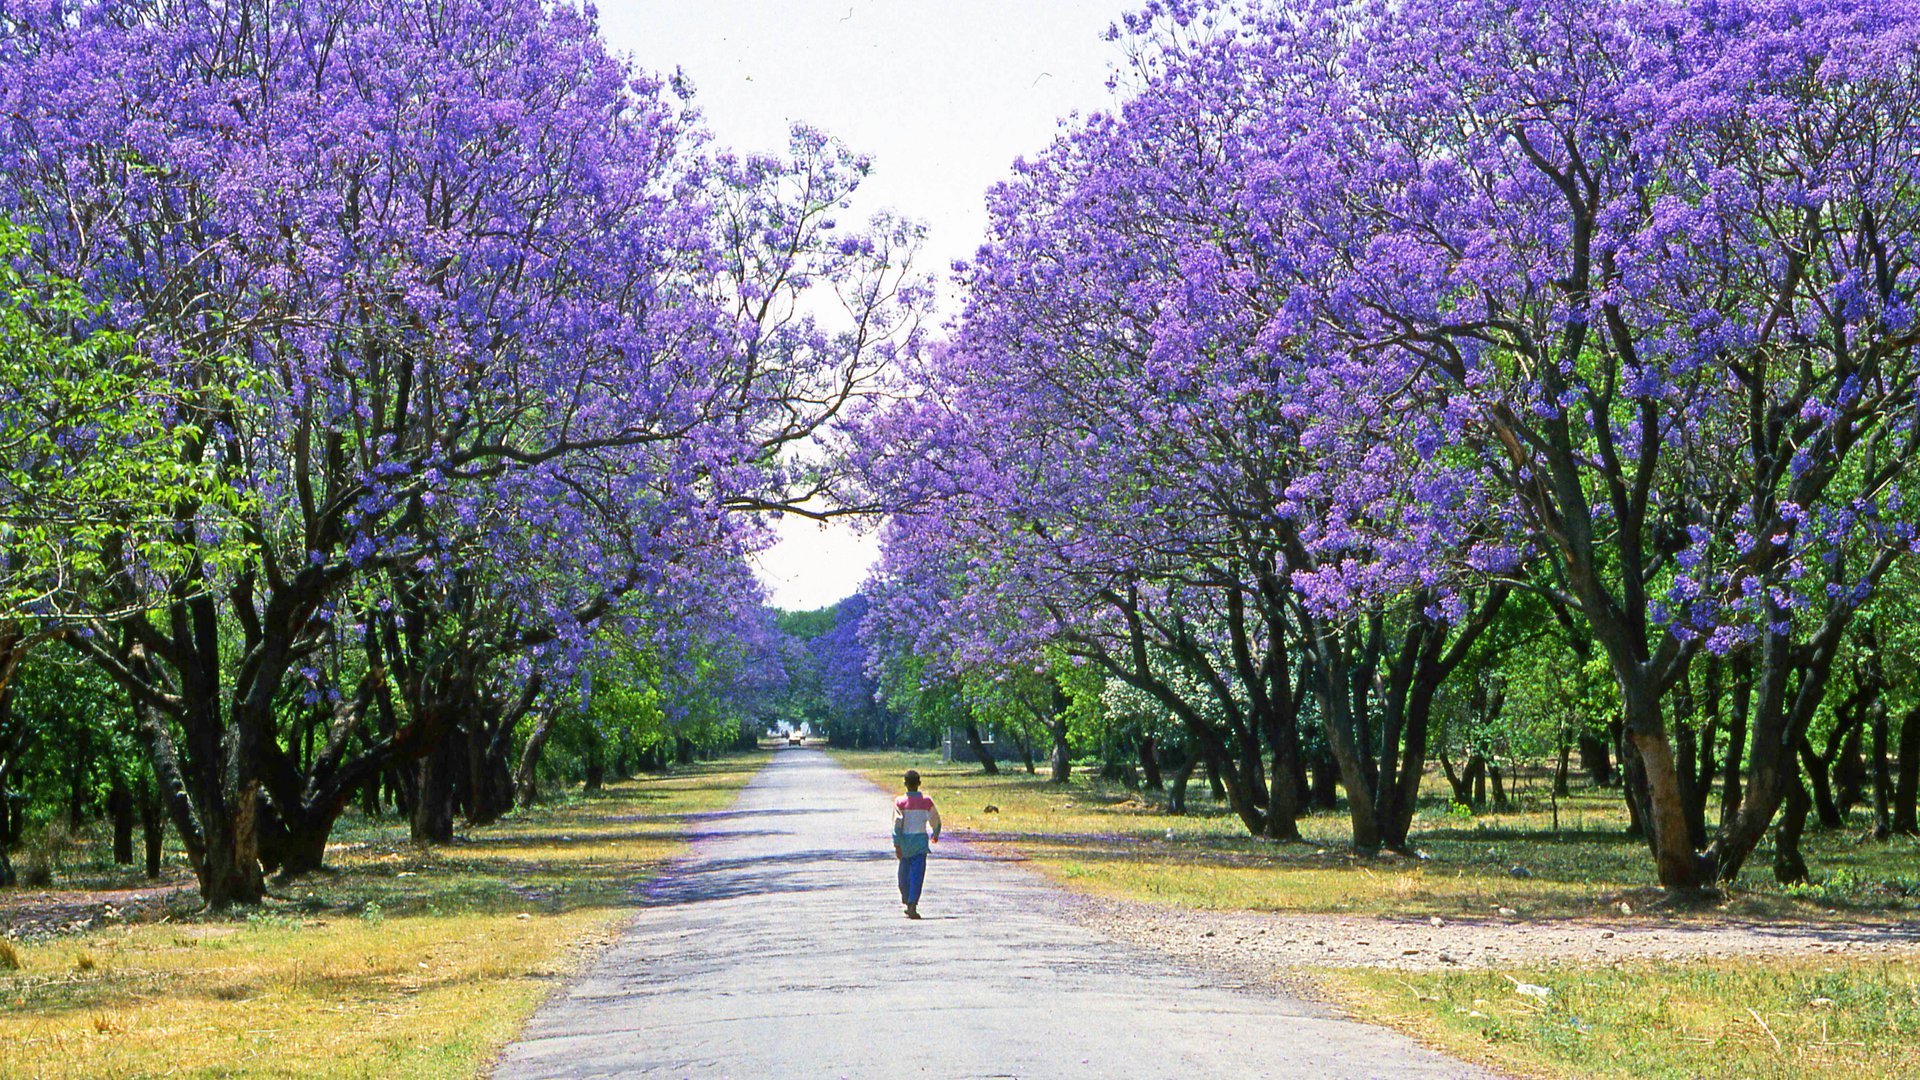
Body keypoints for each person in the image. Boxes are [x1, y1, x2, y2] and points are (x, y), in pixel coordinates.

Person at [892, 769, 941, 919]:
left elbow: (896, 825)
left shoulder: (900, 802)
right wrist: (935, 833)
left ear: (905, 784)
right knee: (917, 876)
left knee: (903, 876)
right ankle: (912, 903)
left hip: (905, 844)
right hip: (920, 844)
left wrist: (897, 844)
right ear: (919, 783)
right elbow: (936, 820)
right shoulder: (926, 802)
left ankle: (909, 901)